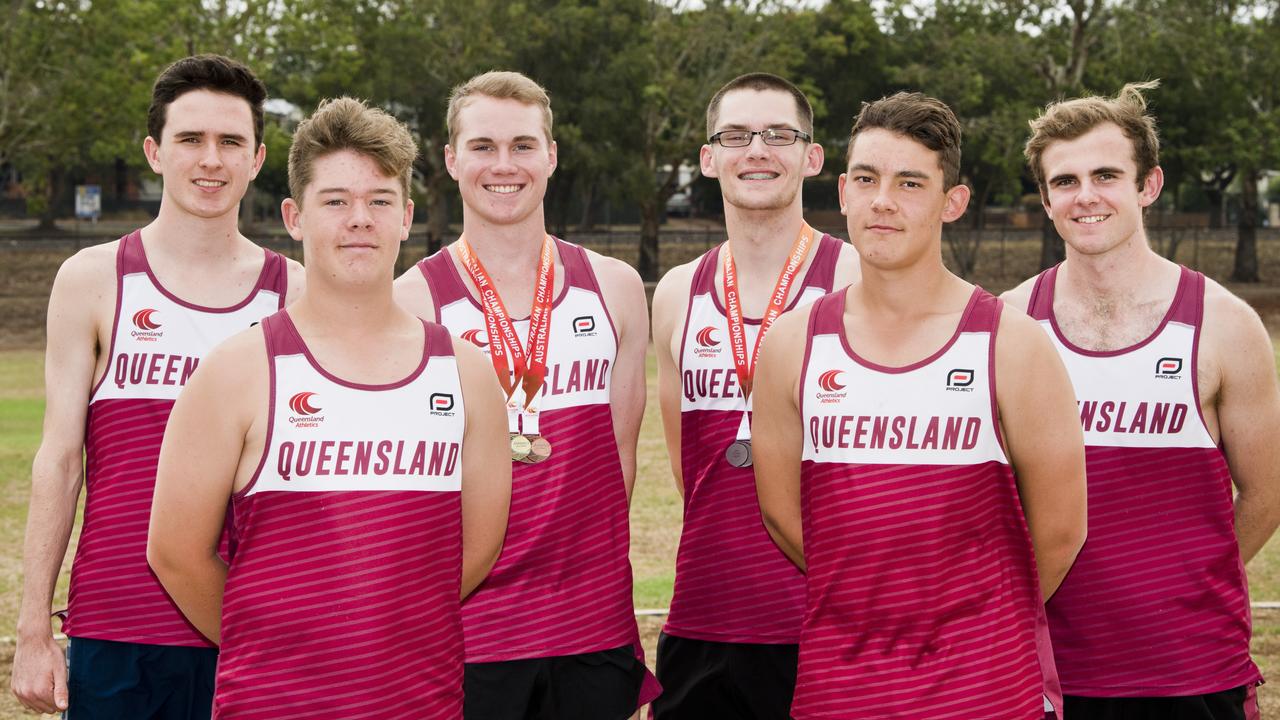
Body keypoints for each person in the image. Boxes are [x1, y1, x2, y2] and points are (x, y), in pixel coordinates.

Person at [146, 96, 512, 719]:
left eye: (379, 201)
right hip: (271, 703)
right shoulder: (237, 371)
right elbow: (175, 554)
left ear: (406, 218)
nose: (359, 220)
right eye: (336, 201)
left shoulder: (468, 373)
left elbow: (475, 550)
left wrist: (386, 634)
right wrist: (272, 643)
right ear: (294, 216)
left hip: (419, 703)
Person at [751, 91, 1088, 719]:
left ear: (951, 202)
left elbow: (1063, 530)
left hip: (983, 688)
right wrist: (873, 603)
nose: (882, 200)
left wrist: (971, 617)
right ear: (843, 192)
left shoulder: (1011, 343)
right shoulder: (792, 344)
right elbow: (782, 518)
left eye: (909, 182)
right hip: (840, 685)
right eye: (866, 178)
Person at [10, 54, 303, 718]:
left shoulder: (297, 293)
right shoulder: (92, 279)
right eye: (190, 139)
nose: (211, 159)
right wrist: (33, 628)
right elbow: (59, 459)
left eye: (231, 142)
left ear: (256, 158)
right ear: (154, 151)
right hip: (116, 627)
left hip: (253, 631)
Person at [1002, 81, 1280, 720]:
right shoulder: (1009, 323)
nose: (1086, 196)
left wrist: (1191, 579)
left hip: (1189, 666)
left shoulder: (1224, 324)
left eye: (1106, 174)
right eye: (1065, 181)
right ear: (1045, 199)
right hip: (1040, 667)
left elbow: (1266, 491)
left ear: (1148, 185)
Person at [393, 70, 658, 719]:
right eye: (483, 146)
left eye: (522, 145)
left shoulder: (616, 288)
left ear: (552, 155)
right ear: (452, 159)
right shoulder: (411, 302)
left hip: (591, 626)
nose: (503, 165)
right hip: (468, 632)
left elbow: (619, 461)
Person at [648, 72, 859, 719]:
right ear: (708, 158)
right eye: (736, 135)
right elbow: (693, 470)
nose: (757, 150)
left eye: (779, 134)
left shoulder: (857, 279)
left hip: (828, 625)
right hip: (703, 623)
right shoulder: (678, 291)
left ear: (812, 156)